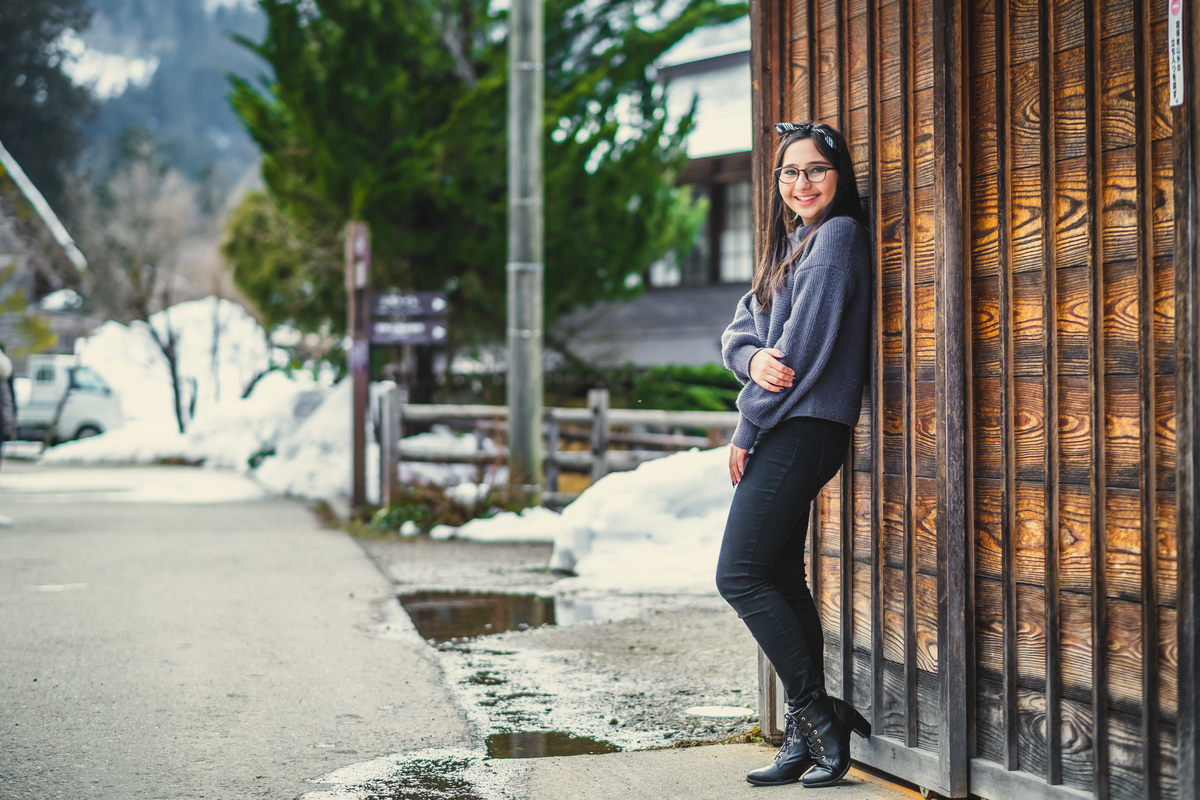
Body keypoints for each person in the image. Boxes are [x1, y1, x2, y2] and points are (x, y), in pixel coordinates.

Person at [716, 121, 872, 788]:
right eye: (789, 173)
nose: (801, 183)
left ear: (839, 178)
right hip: (790, 423)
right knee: (779, 575)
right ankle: (806, 737)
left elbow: (798, 359)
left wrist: (746, 428)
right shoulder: (791, 244)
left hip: (805, 427)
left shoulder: (835, 240)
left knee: (740, 575)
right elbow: (740, 333)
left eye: (814, 170)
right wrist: (750, 358)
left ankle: (818, 717)